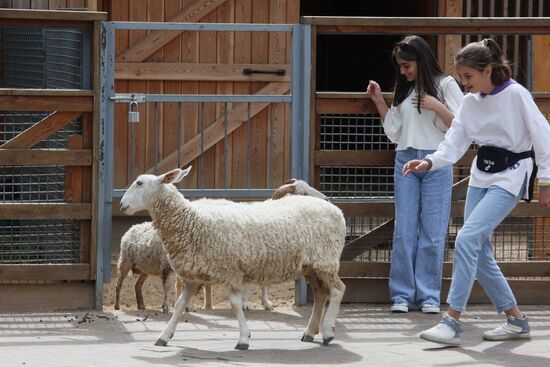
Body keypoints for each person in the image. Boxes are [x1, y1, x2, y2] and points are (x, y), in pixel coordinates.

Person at [403, 38, 550, 345]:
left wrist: (546, 182)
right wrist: (429, 162)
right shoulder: (470, 103)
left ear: (489, 70)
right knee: (479, 250)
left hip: (511, 177)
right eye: (461, 77)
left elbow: (542, 135)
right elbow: (455, 141)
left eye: (468, 77)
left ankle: (452, 320)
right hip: (480, 175)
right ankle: (516, 319)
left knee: (467, 239)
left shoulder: (516, 94)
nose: (464, 83)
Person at [366, 35, 464, 314]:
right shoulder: (404, 88)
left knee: (433, 232)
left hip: (437, 161)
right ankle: (401, 295)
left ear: (421, 60)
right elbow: (395, 129)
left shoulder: (446, 85)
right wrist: (378, 101)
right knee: (405, 230)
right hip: (406, 159)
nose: (403, 71)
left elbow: (460, 126)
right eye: (400, 66)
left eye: (407, 65)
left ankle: (429, 296)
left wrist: (436, 105)